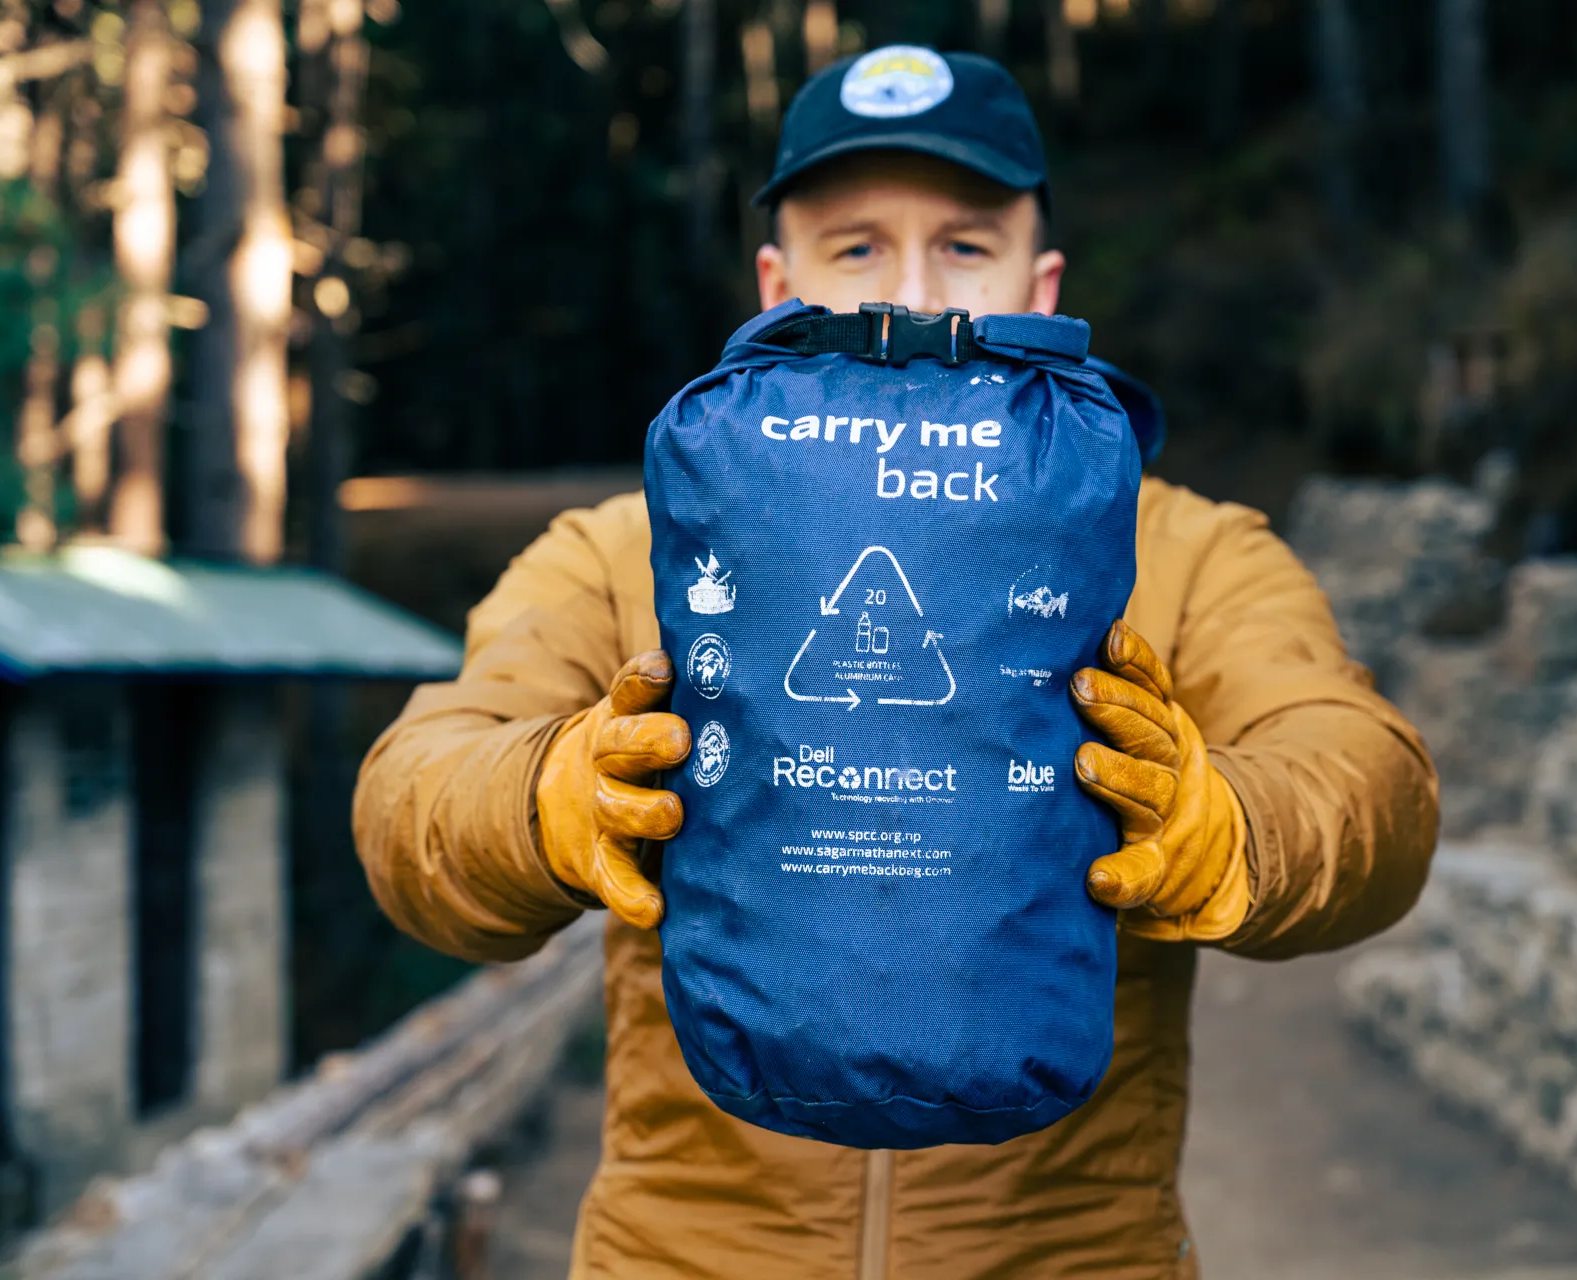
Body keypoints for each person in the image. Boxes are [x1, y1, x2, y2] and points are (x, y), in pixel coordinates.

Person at [354, 45, 1439, 1280]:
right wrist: (543, 800)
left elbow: (1374, 786)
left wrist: (1231, 826)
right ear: (777, 283)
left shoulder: (1181, 550)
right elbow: (410, 801)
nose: (917, 295)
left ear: (1043, 280)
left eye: (966, 246)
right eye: (857, 248)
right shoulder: (625, 554)